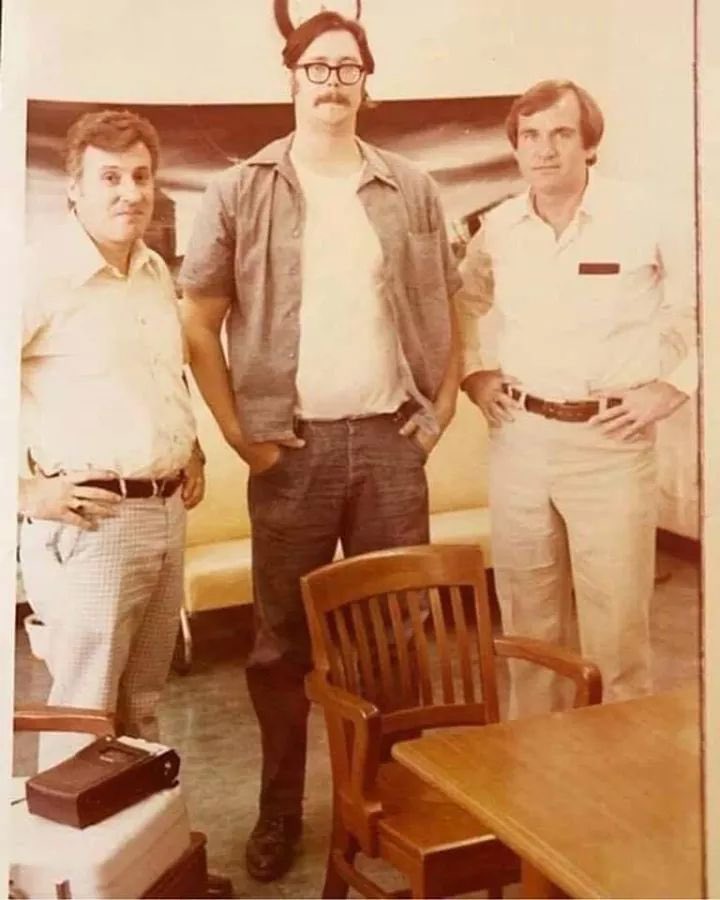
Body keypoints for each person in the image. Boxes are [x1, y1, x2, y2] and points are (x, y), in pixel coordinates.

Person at [179, 11, 460, 881]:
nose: (333, 81)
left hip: (389, 448)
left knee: (394, 643)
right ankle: (279, 812)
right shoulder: (240, 191)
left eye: (348, 67)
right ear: (292, 77)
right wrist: (242, 437)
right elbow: (198, 321)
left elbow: (450, 302)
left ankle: (381, 806)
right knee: (281, 649)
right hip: (290, 456)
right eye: (317, 66)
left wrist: (441, 409)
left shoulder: (411, 187)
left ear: (367, 83)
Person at [457, 79, 697, 719]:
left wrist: (671, 388)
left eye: (562, 134)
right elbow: (461, 303)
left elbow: (705, 305)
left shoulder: (645, 217)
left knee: (615, 633)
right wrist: (475, 375)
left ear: (590, 144)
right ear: (515, 147)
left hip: (609, 447)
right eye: (530, 136)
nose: (545, 149)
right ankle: (535, 764)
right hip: (520, 442)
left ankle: (612, 770)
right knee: (529, 629)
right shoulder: (499, 228)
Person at [18, 109, 206, 768]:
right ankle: (71, 840)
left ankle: (138, 839)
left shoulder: (153, 270)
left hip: (164, 513)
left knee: (142, 707)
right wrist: (23, 492)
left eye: (141, 176)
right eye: (110, 177)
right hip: (92, 524)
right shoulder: (37, 273)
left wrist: (190, 450)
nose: (131, 192)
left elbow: (158, 375)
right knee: (85, 711)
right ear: (74, 188)